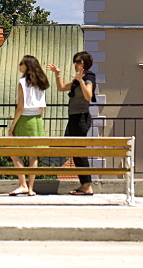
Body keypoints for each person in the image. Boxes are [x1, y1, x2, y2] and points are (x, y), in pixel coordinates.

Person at [48, 50, 96, 195]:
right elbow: (61, 88)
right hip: (74, 117)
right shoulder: (77, 79)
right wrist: (57, 74)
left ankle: (87, 185)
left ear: (85, 63)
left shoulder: (89, 77)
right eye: (75, 61)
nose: (76, 64)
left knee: (80, 151)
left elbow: (88, 96)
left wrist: (81, 81)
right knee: (73, 150)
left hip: (81, 117)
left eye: (79, 61)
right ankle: (84, 184)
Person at [8, 54, 49, 196]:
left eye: (21, 63)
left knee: (14, 153)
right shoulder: (42, 82)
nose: (19, 66)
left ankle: (22, 184)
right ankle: (31, 188)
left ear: (27, 66)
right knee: (34, 155)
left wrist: (12, 125)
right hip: (37, 119)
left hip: (24, 119)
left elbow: (20, 106)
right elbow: (42, 106)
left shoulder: (22, 82)